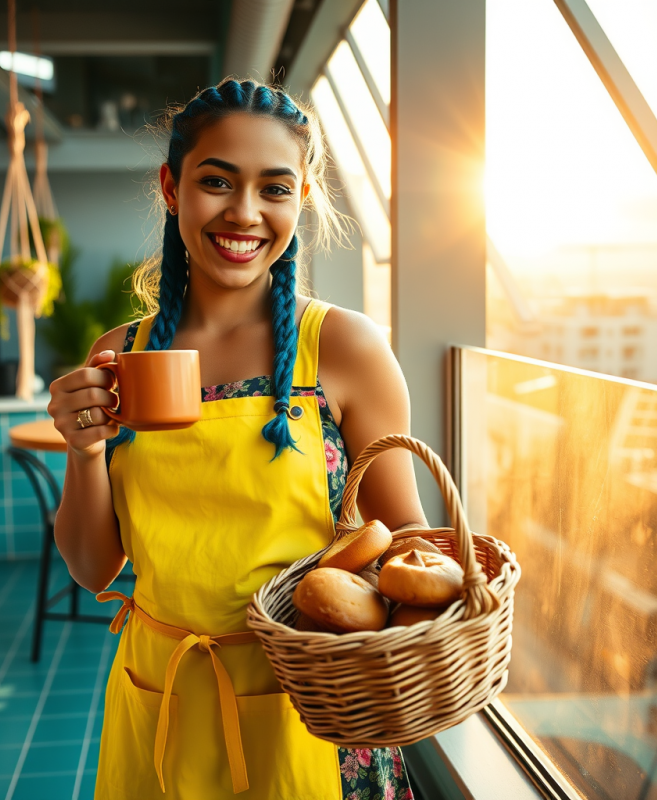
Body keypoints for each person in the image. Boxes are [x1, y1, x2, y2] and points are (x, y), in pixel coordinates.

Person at [48, 78, 426, 799]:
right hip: (161, 703)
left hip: (309, 713)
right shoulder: (118, 354)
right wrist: (86, 449)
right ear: (171, 187)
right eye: (217, 181)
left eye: (274, 188)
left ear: (302, 198)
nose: (244, 213)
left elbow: (404, 537)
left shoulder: (344, 348)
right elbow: (94, 568)